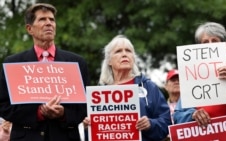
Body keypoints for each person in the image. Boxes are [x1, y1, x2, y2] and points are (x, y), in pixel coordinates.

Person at [0, 3, 89, 141]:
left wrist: (63, 113)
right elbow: (4, 106)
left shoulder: (77, 63)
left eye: (52, 20)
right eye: (42, 19)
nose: (49, 23)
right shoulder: (13, 63)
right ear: (30, 29)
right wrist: (39, 113)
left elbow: (85, 107)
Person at [83, 35, 172, 141]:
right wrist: (88, 128)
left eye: (128, 51)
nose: (124, 54)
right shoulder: (98, 94)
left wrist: (151, 124)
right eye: (118, 51)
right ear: (109, 61)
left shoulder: (148, 87)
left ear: (133, 58)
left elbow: (167, 123)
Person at [173, 22, 226, 140]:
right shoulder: (191, 74)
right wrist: (192, 115)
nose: (210, 46)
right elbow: (178, 116)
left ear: (225, 45)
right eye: (205, 42)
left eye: (215, 41)